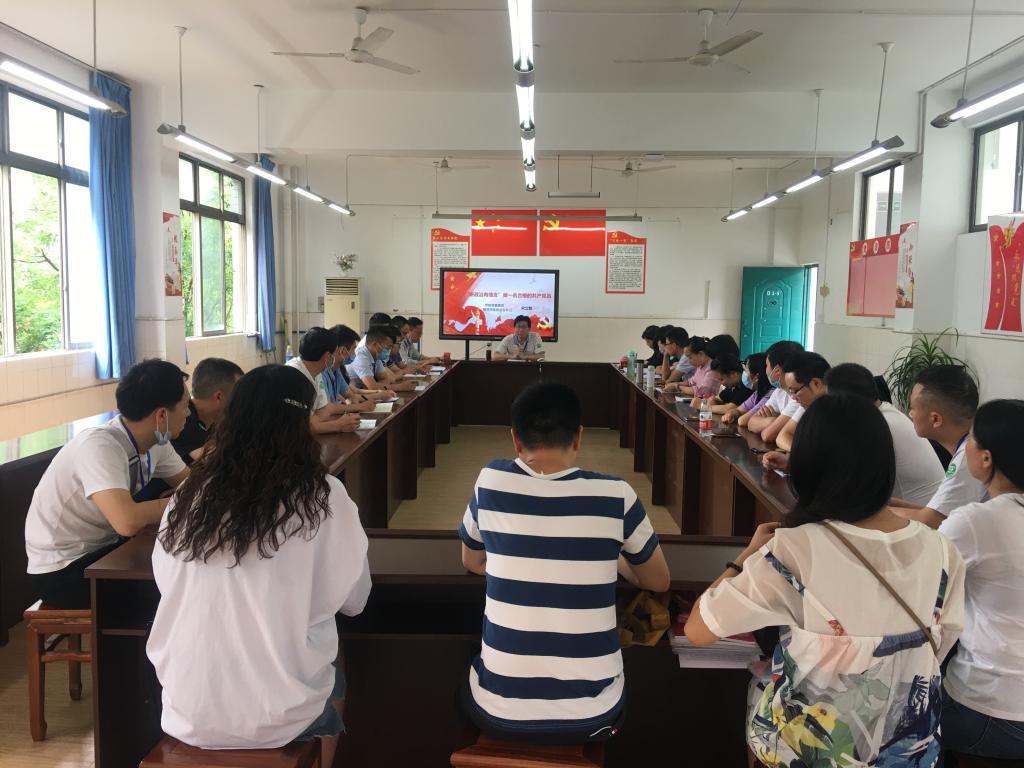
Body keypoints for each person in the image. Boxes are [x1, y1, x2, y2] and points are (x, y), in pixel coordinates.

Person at [684, 394, 965, 768]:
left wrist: (746, 556)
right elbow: (939, 647)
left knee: (759, 691)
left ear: (807, 466)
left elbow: (699, 630)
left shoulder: (795, 550)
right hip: (909, 755)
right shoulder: (944, 551)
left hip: (808, 754)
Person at [147, 365, 371, 765]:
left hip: (186, 708)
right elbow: (355, 601)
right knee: (335, 666)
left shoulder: (189, 494)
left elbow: (166, 580)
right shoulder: (322, 495)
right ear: (300, 425)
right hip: (279, 717)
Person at [458, 381, 670, 745]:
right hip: (594, 715)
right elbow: (658, 581)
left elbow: (472, 561)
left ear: (515, 439)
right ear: (579, 436)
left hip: (499, 713)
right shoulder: (615, 494)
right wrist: (612, 555)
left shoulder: (490, 482)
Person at [25, 359, 193, 609]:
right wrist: (179, 502)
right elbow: (127, 521)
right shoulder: (99, 445)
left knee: (177, 566)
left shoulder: (158, 442)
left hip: (105, 551)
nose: (188, 413)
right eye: (185, 406)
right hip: (63, 570)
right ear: (161, 415)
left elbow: (191, 484)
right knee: (171, 585)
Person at [937, 399, 1024, 762]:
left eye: (970, 438)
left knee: (890, 719)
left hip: (992, 710)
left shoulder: (975, 521)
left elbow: (918, 578)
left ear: (986, 458)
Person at [825, 363, 944, 507]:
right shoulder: (884, 412)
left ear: (845, 402)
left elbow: (855, 485)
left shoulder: (880, 425)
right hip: (925, 507)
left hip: (922, 513)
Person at [891, 365, 985, 529]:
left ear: (935, 419)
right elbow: (936, 511)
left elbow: (931, 520)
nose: (910, 414)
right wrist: (885, 503)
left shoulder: (968, 458)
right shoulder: (976, 439)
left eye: (912, 408)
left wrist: (866, 511)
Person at [286, 327, 362, 433]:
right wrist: (338, 425)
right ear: (327, 357)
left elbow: (324, 410)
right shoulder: (293, 375)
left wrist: (316, 423)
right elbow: (303, 424)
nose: (337, 356)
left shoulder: (316, 372)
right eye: (335, 353)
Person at [172, 358, 243, 465]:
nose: (241, 403)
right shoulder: (183, 420)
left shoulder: (215, 419)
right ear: (219, 397)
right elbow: (211, 460)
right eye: (238, 396)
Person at [769, 351, 830, 452]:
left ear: (816, 383)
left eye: (795, 391)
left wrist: (803, 456)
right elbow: (783, 436)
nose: (793, 398)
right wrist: (796, 456)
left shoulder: (843, 408)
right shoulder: (810, 404)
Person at [741, 340, 803, 436]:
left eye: (766, 365)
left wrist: (770, 423)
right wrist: (774, 421)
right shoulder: (779, 392)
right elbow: (751, 422)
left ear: (777, 371)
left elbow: (768, 435)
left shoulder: (799, 397)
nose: (765, 369)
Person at [347, 325, 415, 392]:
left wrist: (377, 385)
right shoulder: (361, 357)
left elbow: (386, 379)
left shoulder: (376, 357)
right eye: (388, 347)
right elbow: (373, 387)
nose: (389, 350)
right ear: (375, 344)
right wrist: (400, 387)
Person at [721, 353, 771, 425]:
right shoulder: (757, 393)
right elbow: (738, 410)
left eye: (745, 370)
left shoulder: (769, 395)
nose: (743, 374)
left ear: (756, 377)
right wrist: (731, 413)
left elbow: (743, 421)